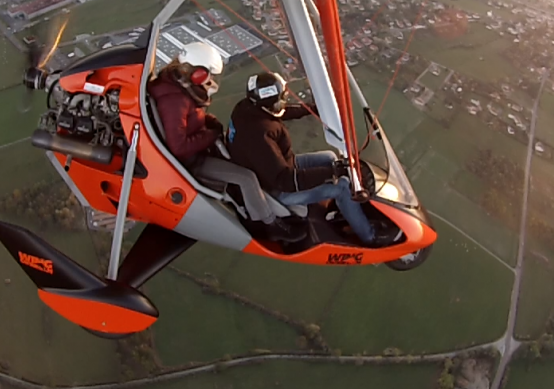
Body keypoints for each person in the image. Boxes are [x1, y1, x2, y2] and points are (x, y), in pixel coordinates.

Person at [148, 42, 304, 243]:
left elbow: (188, 121)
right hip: (192, 161)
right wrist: (211, 134)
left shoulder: (177, 87)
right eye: (209, 75)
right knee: (246, 177)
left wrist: (209, 122)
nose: (211, 81)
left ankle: (269, 209)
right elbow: (179, 147)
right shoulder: (175, 100)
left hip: (199, 151)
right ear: (198, 75)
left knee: (247, 164)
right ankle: (270, 225)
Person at [226, 71, 393, 247]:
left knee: (329, 157)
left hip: (273, 169)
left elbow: (280, 112)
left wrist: (311, 109)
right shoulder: (260, 135)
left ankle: (345, 209)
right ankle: (370, 236)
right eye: (281, 98)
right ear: (271, 102)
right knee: (341, 187)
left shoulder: (248, 108)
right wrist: (333, 173)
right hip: (276, 191)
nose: (284, 100)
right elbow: (286, 181)